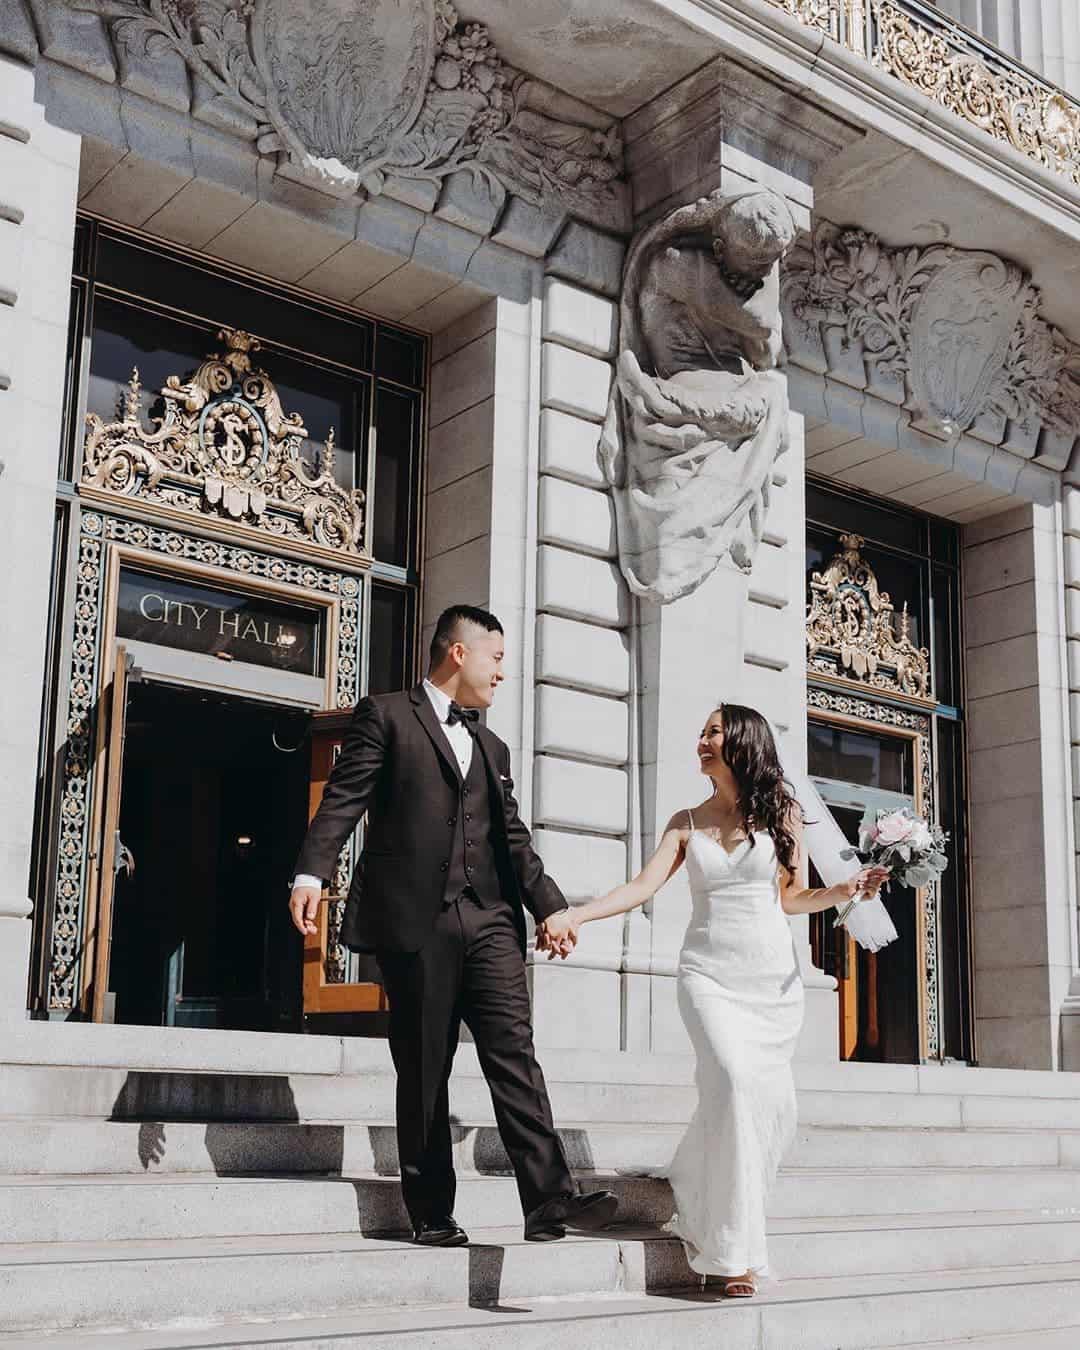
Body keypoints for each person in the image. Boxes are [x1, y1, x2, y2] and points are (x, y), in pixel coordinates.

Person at [288, 605, 617, 1247]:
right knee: (425, 1068)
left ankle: (549, 1201)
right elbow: (344, 799)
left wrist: (548, 905)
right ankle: (432, 1211)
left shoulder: (492, 746)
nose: (503, 673)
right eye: (497, 658)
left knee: (514, 1055)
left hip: (490, 918)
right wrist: (310, 872)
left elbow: (510, 838)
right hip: (418, 923)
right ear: (459, 654)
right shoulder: (385, 715)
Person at [537, 704, 887, 1295]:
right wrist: (575, 913)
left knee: (771, 1108)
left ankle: (700, 1188)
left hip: (770, 984)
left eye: (713, 732)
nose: (701, 740)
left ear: (743, 740)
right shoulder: (685, 822)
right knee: (731, 1081)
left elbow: (792, 899)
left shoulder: (784, 814)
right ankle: (734, 1255)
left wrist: (844, 890)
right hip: (707, 978)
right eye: (700, 732)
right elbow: (639, 888)